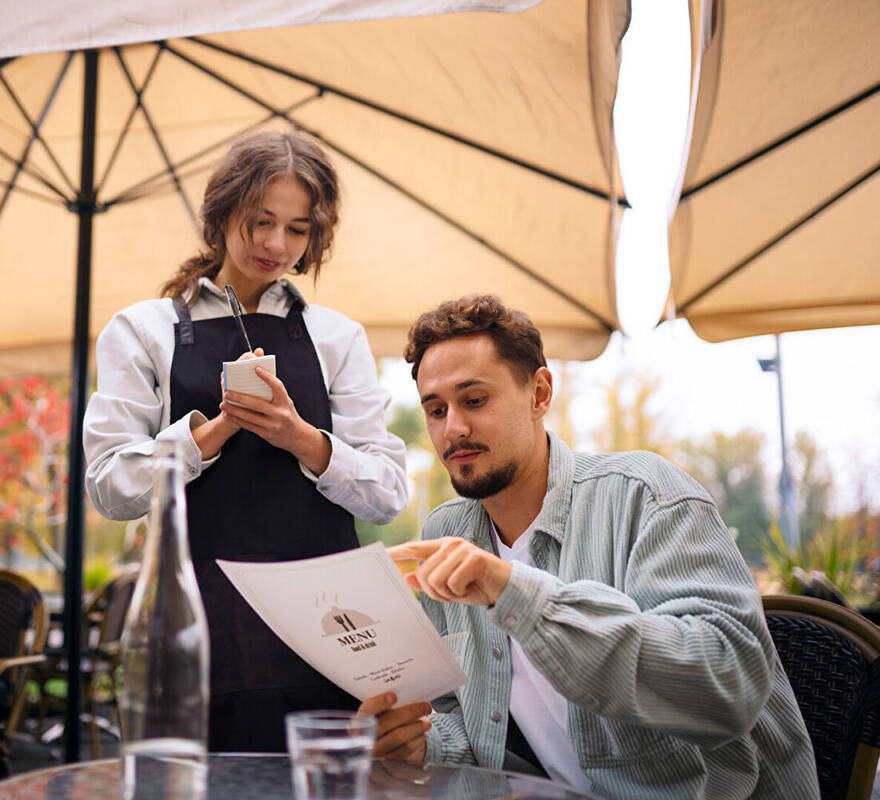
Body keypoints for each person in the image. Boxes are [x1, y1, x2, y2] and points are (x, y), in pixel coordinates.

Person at [360, 294, 818, 798]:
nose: (454, 429)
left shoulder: (645, 495)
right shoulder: (449, 530)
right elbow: (472, 730)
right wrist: (421, 745)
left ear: (539, 394)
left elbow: (729, 686)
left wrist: (514, 591)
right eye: (436, 409)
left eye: (474, 400)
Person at [83, 130, 408, 752]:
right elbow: (109, 487)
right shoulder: (142, 330)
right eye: (260, 221)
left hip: (329, 629)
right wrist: (209, 436)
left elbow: (388, 494)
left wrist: (304, 440)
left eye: (297, 228)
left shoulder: (338, 338)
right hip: (198, 621)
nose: (274, 244)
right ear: (222, 210)